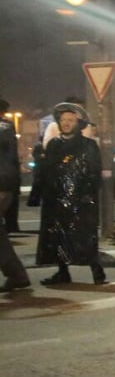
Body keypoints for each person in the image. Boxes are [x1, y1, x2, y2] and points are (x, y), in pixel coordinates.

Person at [36, 102, 106, 285]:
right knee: (57, 237)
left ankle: (97, 271)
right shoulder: (53, 144)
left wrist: (87, 195)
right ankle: (62, 271)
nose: (66, 123)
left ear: (78, 123)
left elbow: (94, 172)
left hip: (81, 200)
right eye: (63, 120)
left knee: (85, 236)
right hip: (56, 200)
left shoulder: (88, 145)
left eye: (70, 120)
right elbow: (46, 171)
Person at [0, 97, 31, 292]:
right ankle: (17, 274)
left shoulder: (3, 128)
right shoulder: (6, 127)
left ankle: (17, 274)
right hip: (5, 184)